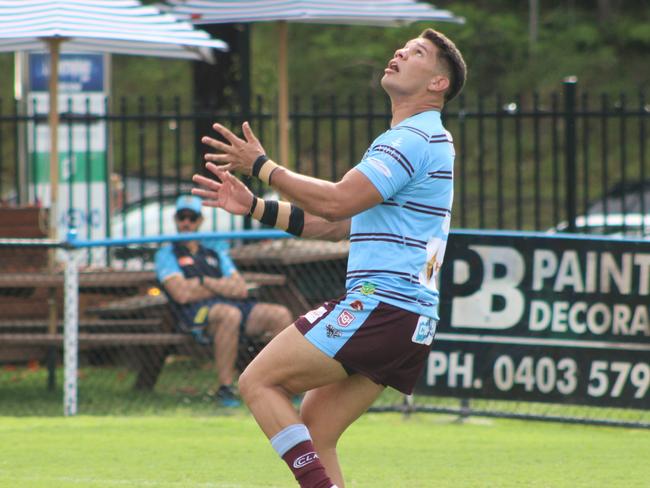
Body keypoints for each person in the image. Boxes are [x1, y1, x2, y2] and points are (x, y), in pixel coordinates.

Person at [193, 28, 466, 488]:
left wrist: (263, 166)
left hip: (384, 305)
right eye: (402, 47)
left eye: (416, 53)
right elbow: (338, 224)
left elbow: (337, 202)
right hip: (410, 320)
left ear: (438, 83)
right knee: (316, 431)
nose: (399, 52)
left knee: (257, 382)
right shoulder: (424, 139)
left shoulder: (411, 138)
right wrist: (255, 206)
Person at [154, 195, 292, 407]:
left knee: (279, 315)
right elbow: (181, 294)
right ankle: (225, 388)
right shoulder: (167, 253)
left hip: (234, 304)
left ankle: (282, 384)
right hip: (196, 314)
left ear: (200, 221)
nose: (187, 223)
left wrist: (202, 281)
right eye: (182, 217)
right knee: (229, 315)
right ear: (175, 219)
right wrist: (221, 286)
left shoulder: (214, 249)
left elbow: (239, 289)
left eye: (192, 218)